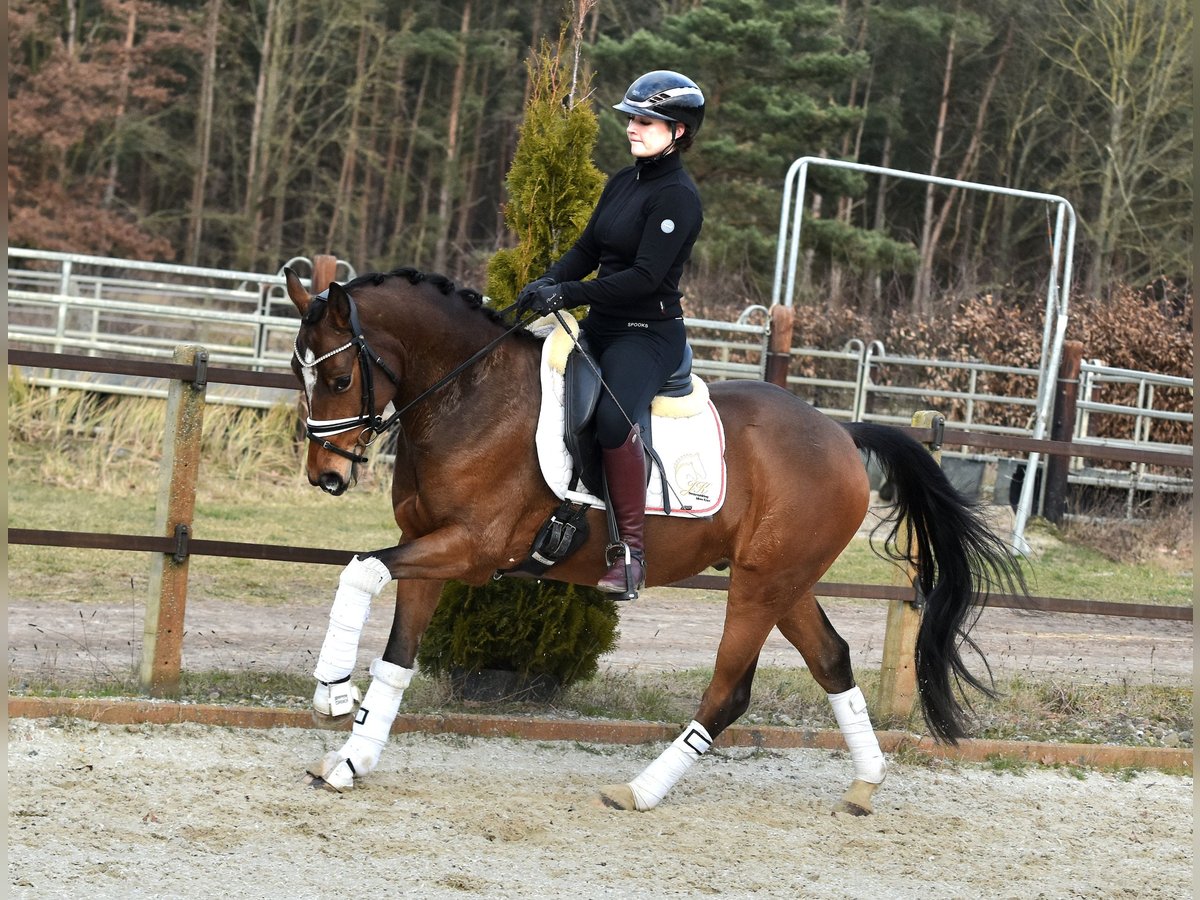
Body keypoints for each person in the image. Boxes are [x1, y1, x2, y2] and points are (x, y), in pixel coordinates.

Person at [515, 70, 705, 600]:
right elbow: (588, 250)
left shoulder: (678, 198)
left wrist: (570, 293)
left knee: (611, 419)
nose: (632, 128)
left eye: (646, 120)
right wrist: (550, 280)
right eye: (630, 119)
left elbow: (645, 278)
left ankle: (630, 553)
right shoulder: (624, 181)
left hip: (647, 334)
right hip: (600, 325)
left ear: (679, 131)